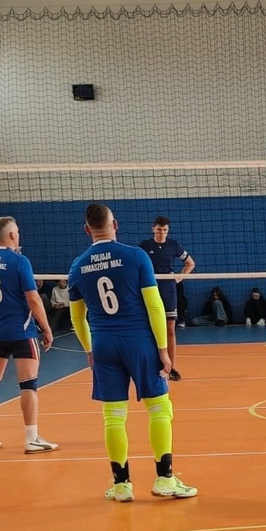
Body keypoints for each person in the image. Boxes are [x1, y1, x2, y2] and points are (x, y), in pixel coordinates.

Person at [69, 202, 196, 501]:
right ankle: (165, 480)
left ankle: (121, 486)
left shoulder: (77, 266)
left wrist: (89, 349)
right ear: (115, 225)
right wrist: (163, 350)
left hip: (103, 343)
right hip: (139, 342)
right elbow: (154, 305)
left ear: (87, 229)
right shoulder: (136, 256)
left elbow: (77, 318)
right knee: (159, 407)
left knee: (113, 415)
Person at [0, 216, 58, 455]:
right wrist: (47, 328)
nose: (19, 235)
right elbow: (33, 299)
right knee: (28, 385)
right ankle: (31, 438)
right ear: (11, 235)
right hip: (22, 332)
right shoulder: (20, 261)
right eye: (17, 231)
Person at [139, 216, 195, 381]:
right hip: (150, 289)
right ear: (153, 229)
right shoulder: (144, 246)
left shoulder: (173, 245)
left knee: (170, 329)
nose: (162, 233)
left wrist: (179, 277)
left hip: (168, 290)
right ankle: (152, 366)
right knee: (149, 329)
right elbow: (136, 264)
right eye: (159, 230)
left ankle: (171, 368)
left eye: (165, 230)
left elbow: (190, 263)